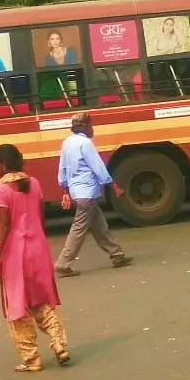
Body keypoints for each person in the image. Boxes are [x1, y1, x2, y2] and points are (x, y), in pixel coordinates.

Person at [0, 143, 70, 372]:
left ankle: (31, 358)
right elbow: (41, 219)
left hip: (15, 253)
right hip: (38, 248)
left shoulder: (1, 191)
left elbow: (3, 226)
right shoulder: (33, 183)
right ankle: (59, 344)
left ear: (3, 165)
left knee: (17, 306)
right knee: (41, 300)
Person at [53, 113, 132, 277]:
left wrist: (65, 190)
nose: (92, 128)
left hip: (78, 193)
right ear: (86, 127)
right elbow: (98, 167)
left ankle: (117, 255)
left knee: (99, 226)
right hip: (87, 192)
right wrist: (114, 185)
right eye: (91, 125)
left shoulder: (67, 143)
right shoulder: (85, 143)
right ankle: (63, 263)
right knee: (78, 229)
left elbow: (63, 169)